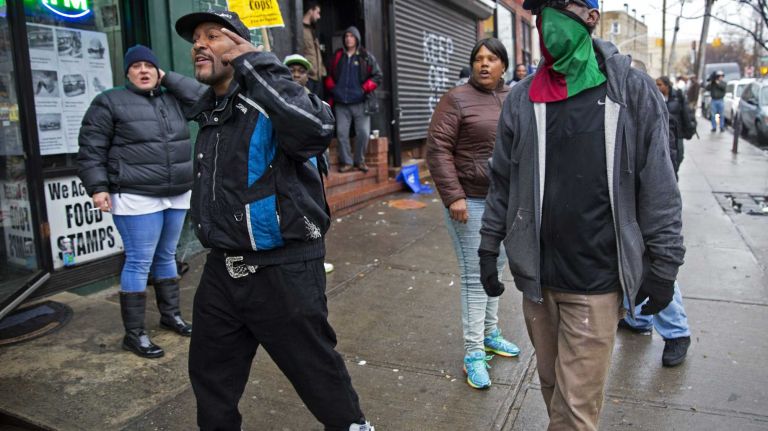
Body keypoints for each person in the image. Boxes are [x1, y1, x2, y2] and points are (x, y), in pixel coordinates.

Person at [478, 1, 685, 429]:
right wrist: (488, 246)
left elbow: (660, 187)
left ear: (591, 17)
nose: (548, 18)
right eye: (541, 8)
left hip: (596, 283)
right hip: (537, 281)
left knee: (574, 412)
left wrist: (664, 267)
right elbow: (502, 181)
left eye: (561, 5)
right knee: (554, 388)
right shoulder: (523, 97)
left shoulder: (630, 91)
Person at [173, 10, 373, 430]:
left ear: (239, 47)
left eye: (213, 36)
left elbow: (317, 129)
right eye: (195, 38)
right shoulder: (209, 108)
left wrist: (257, 60)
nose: (198, 44)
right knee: (211, 380)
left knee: (318, 376)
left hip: (282, 269)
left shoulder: (274, 100)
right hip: (223, 270)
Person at [78, 44, 205, 358]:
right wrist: (98, 187)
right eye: (137, 66)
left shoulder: (172, 97)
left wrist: (170, 78)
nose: (144, 71)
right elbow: (91, 148)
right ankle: (134, 334)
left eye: (150, 66)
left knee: (166, 255)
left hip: (175, 192)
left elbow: (203, 98)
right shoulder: (108, 101)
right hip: (134, 194)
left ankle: (170, 315)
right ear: (127, 72)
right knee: (138, 261)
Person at [426, 38, 520, 390]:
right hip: (470, 201)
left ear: (503, 66)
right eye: (478, 59)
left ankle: (491, 333)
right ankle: (473, 352)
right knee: (475, 276)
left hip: (505, 202)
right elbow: (437, 149)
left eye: (492, 59)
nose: (484, 64)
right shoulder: (456, 99)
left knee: (495, 270)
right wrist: (454, 197)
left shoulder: (514, 98)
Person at [616, 76, 692, 368]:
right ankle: (639, 319)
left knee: (653, 267)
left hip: (644, 203)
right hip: (623, 203)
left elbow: (666, 165)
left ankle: (677, 334)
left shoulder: (649, 109)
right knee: (628, 267)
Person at [284, 53, 336, 275]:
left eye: (301, 71)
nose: (296, 74)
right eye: (292, 70)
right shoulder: (277, 100)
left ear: (308, 76)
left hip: (313, 169)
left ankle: (316, 257)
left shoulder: (315, 102)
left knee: (316, 213)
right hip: (288, 171)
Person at [325, 26, 383, 173]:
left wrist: (364, 89)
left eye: (351, 36)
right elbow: (328, 75)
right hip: (341, 104)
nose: (348, 38)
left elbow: (378, 76)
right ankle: (347, 162)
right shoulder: (338, 56)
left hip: (361, 102)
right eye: (346, 36)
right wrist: (333, 88)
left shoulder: (365, 56)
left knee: (363, 132)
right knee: (342, 134)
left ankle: (360, 160)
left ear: (357, 39)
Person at [302, 1, 326, 97]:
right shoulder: (301, 29)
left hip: (318, 77)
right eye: (318, 12)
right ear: (311, 11)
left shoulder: (313, 29)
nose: (319, 16)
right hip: (308, 77)